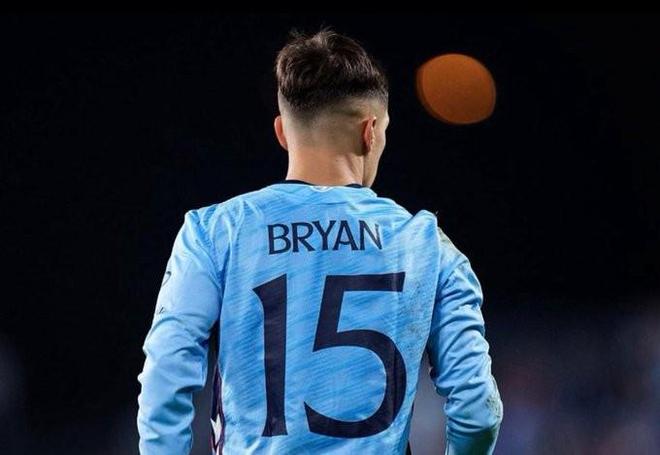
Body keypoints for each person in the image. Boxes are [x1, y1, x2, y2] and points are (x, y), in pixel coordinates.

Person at [137, 28, 502, 454]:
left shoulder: (216, 231)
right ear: (370, 132)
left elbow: (166, 373)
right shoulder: (427, 245)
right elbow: (478, 410)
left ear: (282, 132)